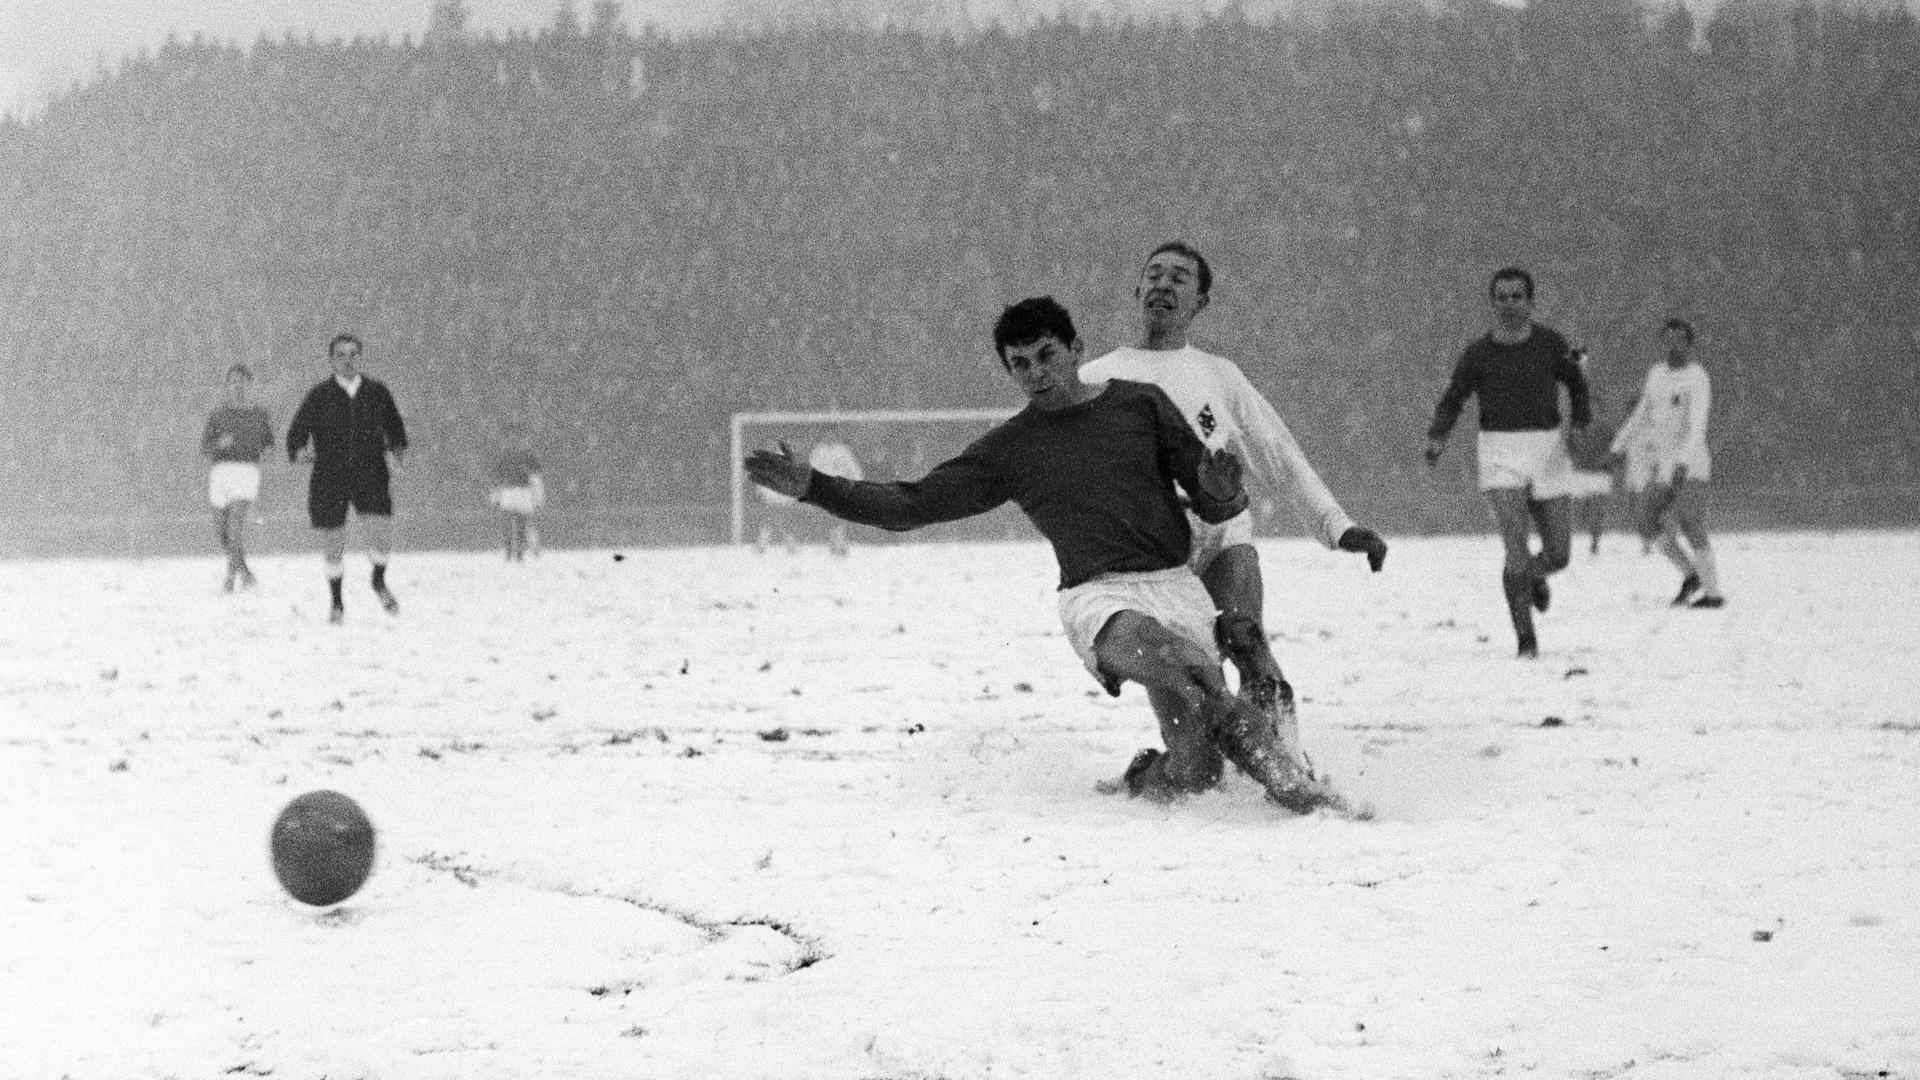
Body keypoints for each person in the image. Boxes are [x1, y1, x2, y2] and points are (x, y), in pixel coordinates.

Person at [745, 297, 1339, 812]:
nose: (1036, 373)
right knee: (1193, 673)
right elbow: (912, 504)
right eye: (1020, 365)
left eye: (1047, 355)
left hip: (1174, 584)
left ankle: (1146, 776)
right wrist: (815, 487)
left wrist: (1220, 487)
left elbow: (1211, 504)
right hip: (1099, 598)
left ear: (1077, 349)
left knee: (1195, 773)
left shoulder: (1142, 404)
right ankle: (1304, 798)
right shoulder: (1013, 448)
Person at [1079, 241, 1388, 777]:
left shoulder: (1220, 376)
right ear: (1136, 291)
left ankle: (1289, 765)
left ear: (1200, 302)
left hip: (1220, 538)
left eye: (1179, 278)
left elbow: (1280, 455)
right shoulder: (1097, 377)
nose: (1163, 285)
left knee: (1244, 636)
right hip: (1150, 565)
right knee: (1195, 755)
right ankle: (1154, 774)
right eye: (1153, 274)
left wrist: (1338, 527)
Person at [1426, 267, 1592, 658]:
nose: (1509, 304)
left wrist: (1579, 426)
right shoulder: (1478, 353)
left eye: (1517, 296)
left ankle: (1534, 578)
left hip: (1547, 448)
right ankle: (1526, 638)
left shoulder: (1553, 343)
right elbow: (1454, 396)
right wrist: (1438, 436)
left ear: (1531, 302)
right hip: (1500, 451)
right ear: (1492, 302)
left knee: (1559, 554)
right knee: (1515, 547)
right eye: (1501, 297)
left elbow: (1577, 385)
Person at [286, 334, 410, 624]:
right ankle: (337, 601)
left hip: (371, 472)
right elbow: (295, 435)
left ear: (361, 357)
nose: (347, 359)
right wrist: (300, 451)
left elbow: (397, 431)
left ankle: (378, 581)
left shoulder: (377, 392)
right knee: (333, 542)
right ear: (331, 360)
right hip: (330, 475)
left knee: (381, 539)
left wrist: (398, 452)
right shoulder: (318, 396)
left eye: (353, 353)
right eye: (340, 354)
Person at [1610, 318, 1725, 608]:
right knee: (1645, 521)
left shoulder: (1696, 377)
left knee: (1690, 521)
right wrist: (1618, 446)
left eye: (1680, 338)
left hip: (1691, 465)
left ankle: (1713, 594)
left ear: (1689, 343)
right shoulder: (1656, 375)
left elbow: (1698, 423)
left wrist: (1684, 463)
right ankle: (1691, 575)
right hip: (1665, 466)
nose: (1674, 344)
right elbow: (1642, 414)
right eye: (1668, 338)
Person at [200, 363, 275, 592]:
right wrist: (218, 445)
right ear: (227, 385)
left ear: (249, 385)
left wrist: (263, 451)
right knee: (222, 532)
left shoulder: (259, 414)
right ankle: (244, 571)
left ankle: (230, 577)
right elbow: (205, 448)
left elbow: (269, 444)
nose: (238, 385)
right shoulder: (218, 415)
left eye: (242, 381)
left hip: (246, 472)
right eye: (233, 381)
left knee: (234, 527)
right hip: (221, 472)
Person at [1564, 386, 1619, 556]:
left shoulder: (1608, 429)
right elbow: (1568, 446)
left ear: (1600, 408)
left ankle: (1594, 543)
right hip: (1580, 473)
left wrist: (1608, 462)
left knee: (1597, 510)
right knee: (1576, 510)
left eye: (1595, 405)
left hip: (1600, 475)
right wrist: (1574, 459)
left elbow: (1618, 450)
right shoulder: (1576, 426)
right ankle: (1568, 542)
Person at [489, 422, 545, 562]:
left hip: (523, 493)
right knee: (507, 524)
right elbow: (497, 477)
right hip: (508, 492)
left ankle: (519, 553)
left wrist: (538, 496)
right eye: (511, 436)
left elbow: (535, 477)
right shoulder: (504, 455)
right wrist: (495, 494)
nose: (514, 439)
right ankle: (508, 552)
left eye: (517, 436)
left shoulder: (529, 455)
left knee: (521, 525)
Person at [807, 436, 863, 557]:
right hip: (824, 490)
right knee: (830, 518)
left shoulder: (843, 451)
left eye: (832, 433)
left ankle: (840, 543)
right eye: (827, 433)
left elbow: (854, 470)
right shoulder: (818, 451)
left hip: (841, 489)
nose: (829, 436)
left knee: (840, 517)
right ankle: (835, 543)